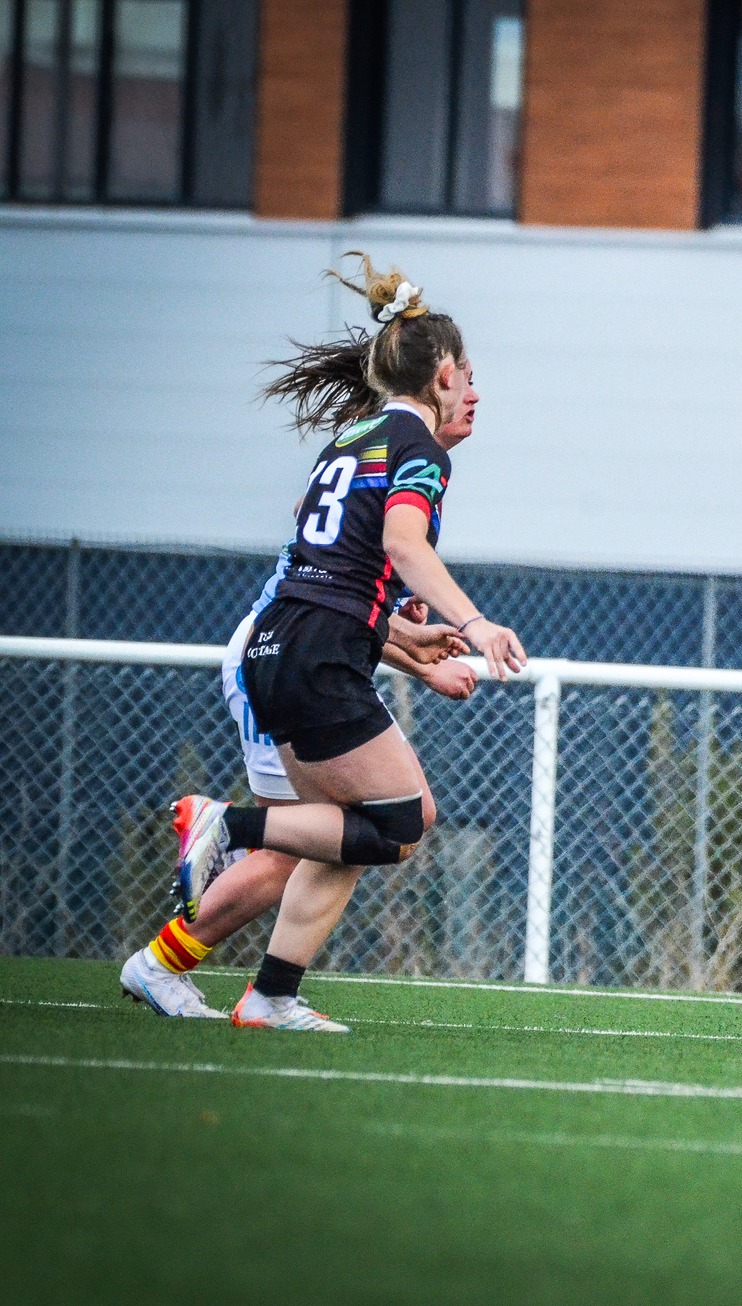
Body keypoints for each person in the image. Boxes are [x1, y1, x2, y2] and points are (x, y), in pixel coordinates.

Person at [144, 254, 525, 1032]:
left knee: (350, 839)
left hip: (288, 640)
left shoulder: (356, 436)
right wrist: (477, 623)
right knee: (404, 821)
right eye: (468, 372)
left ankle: (271, 995)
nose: (474, 388)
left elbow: (320, 534)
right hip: (314, 650)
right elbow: (404, 544)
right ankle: (229, 827)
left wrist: (401, 632)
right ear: (441, 373)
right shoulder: (419, 446)